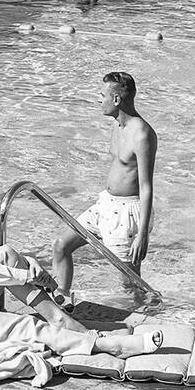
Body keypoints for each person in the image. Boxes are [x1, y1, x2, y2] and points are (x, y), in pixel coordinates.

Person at [0, 159, 161, 358]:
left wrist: (25, 261)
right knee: (24, 325)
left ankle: (59, 319)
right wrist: (25, 276)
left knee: (7, 254)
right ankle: (106, 346)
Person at [53, 71, 156, 297]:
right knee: (61, 246)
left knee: (129, 283)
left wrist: (142, 235)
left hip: (127, 213)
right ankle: (61, 299)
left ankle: (145, 321)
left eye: (102, 95)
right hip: (106, 204)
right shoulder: (116, 126)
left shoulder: (142, 134)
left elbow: (146, 186)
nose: (99, 100)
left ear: (116, 100)